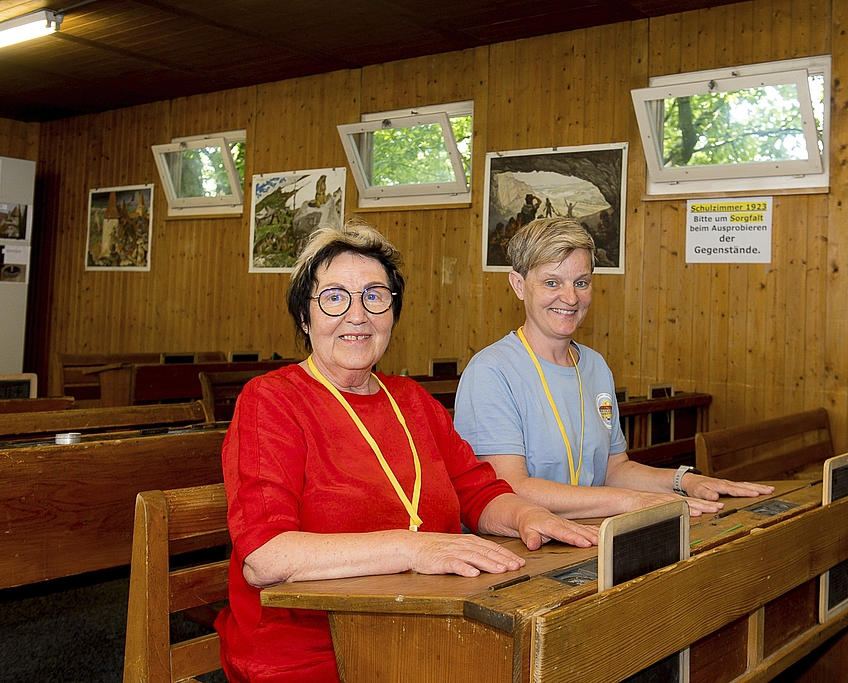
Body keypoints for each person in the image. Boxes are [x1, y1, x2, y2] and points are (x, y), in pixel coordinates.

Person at [215, 220, 597, 682]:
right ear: (304, 316)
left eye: (375, 296)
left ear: (392, 312)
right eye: (334, 297)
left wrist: (526, 516)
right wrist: (415, 549)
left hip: (430, 628)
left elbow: (478, 493)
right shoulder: (271, 400)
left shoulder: (411, 399)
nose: (357, 315)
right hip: (313, 649)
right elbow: (266, 558)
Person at [453, 218, 773, 519]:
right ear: (519, 285)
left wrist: (685, 482)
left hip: (589, 536)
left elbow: (614, 469)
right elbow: (509, 489)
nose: (570, 297)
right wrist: (629, 501)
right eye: (552, 282)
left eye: (581, 283)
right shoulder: (491, 372)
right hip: (519, 550)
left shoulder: (594, 366)